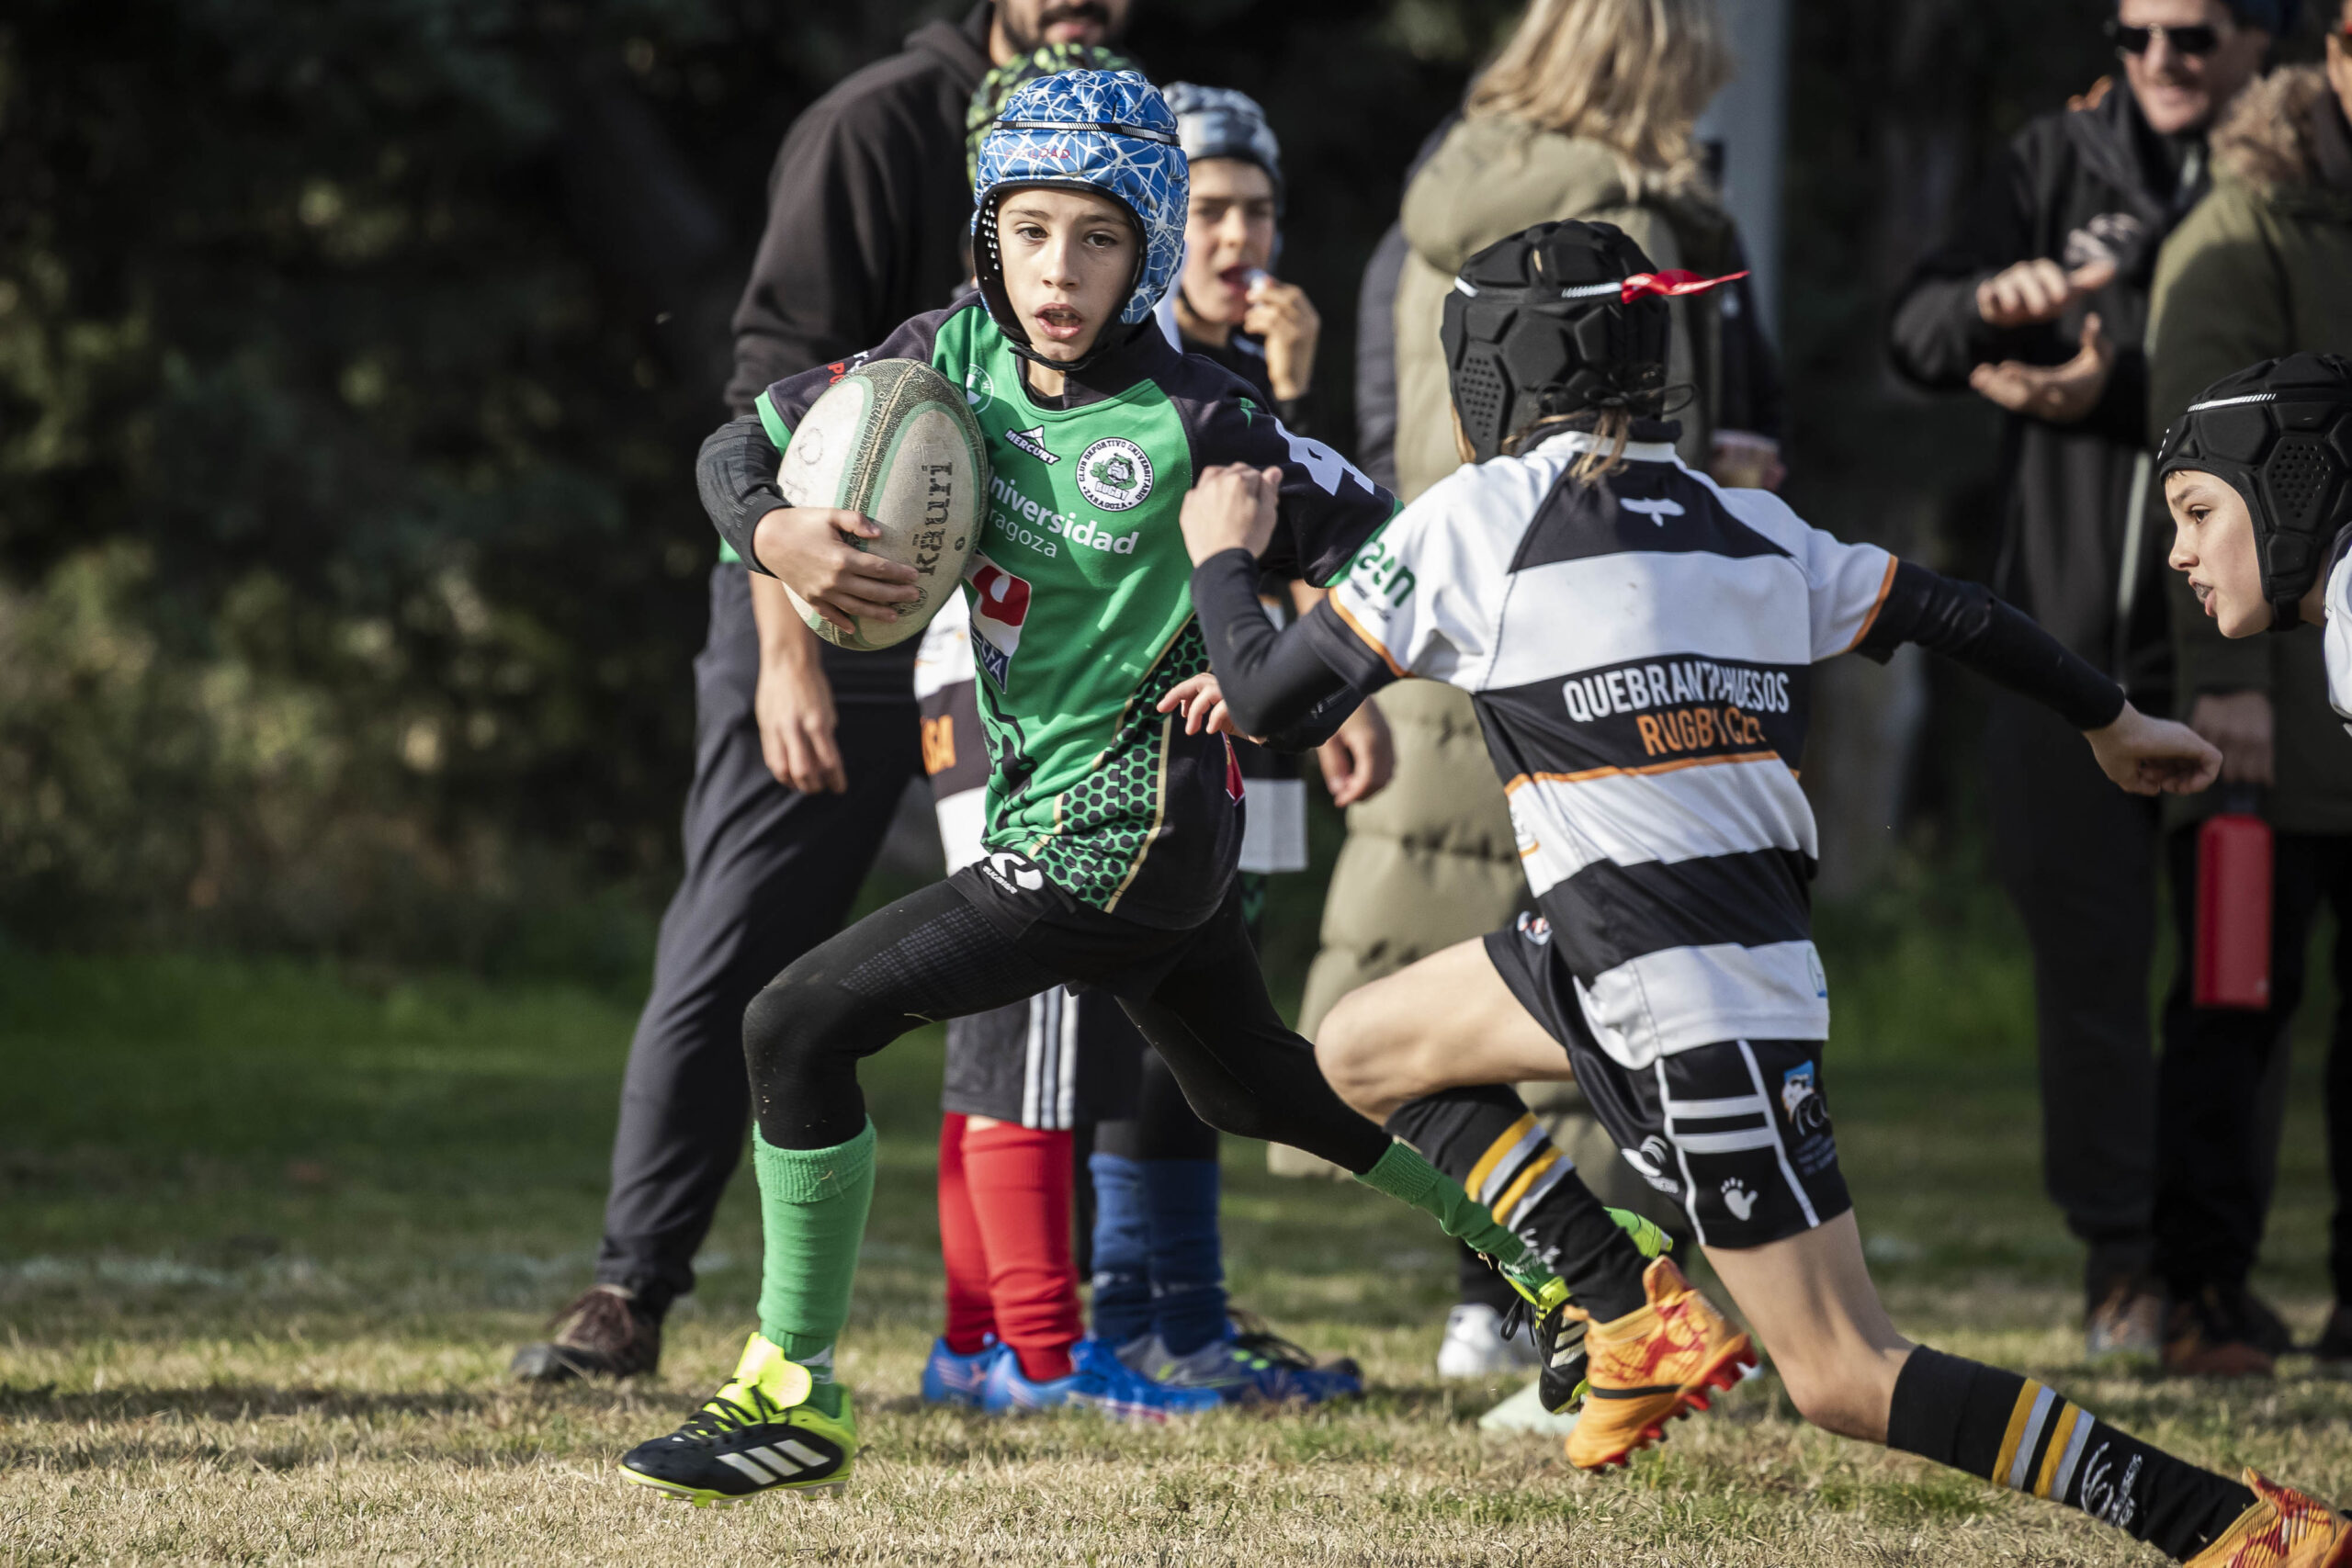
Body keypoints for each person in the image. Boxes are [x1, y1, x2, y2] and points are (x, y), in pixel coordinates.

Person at [1182, 216, 2352, 1567]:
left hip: (1686, 997)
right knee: (1364, 1048)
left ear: (1488, 367)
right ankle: (1627, 1304)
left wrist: (1224, 553)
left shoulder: (1478, 518)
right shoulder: (1746, 521)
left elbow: (1269, 703)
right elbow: (1951, 610)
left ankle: (2226, 1526)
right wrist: (2106, 717)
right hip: (1649, 952)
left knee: (1847, 1371)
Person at [616, 72, 1599, 1507]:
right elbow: (730, 450)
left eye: (1094, 239)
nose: (1057, 273)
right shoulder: (941, 355)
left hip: (1125, 832)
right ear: (985, 239)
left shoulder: (1207, 416)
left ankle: (792, 1387)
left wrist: (1290, 665)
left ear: (1144, 244)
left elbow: (1396, 551)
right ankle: (1583, 1266)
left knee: (795, 1023)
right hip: (1069, 821)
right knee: (1260, 1080)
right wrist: (778, 540)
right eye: (1027, 235)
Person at [511, 0, 1134, 1383]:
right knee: (733, 944)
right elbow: (762, 402)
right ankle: (630, 1291)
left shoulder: (1115, 132)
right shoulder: (878, 126)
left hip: (1019, 627)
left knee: (1057, 947)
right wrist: (785, 640)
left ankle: (1051, 1323)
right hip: (833, 607)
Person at [1298, 0, 1770, 1380]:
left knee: (1455, 976)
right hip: (1603, 621)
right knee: (1613, 967)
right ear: (1658, 67)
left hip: (1437, 603)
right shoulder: (1638, 232)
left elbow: (1387, 420)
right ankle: (1618, 1301)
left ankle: (1501, 1298)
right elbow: (1668, 457)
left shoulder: (1436, 194)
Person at [1886, 0, 2282, 1357]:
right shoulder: (2050, 164)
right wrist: (1990, 306)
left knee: (2240, 974)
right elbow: (1918, 331)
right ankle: (2123, 1272)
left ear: (2263, 41)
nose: (2162, 61)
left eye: (2195, 34)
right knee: (2094, 975)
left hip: (2244, 656)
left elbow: (2278, 397)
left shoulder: (2288, 177)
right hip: (2066, 653)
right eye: (2135, 33)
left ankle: (2210, 1278)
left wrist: (2103, 401)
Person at [2146, 26, 2352, 1377]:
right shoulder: (2251, 219)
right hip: (2274, 701)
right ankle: (2201, 1293)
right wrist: (2228, 683)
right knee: (2237, 1002)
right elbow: (2210, 467)